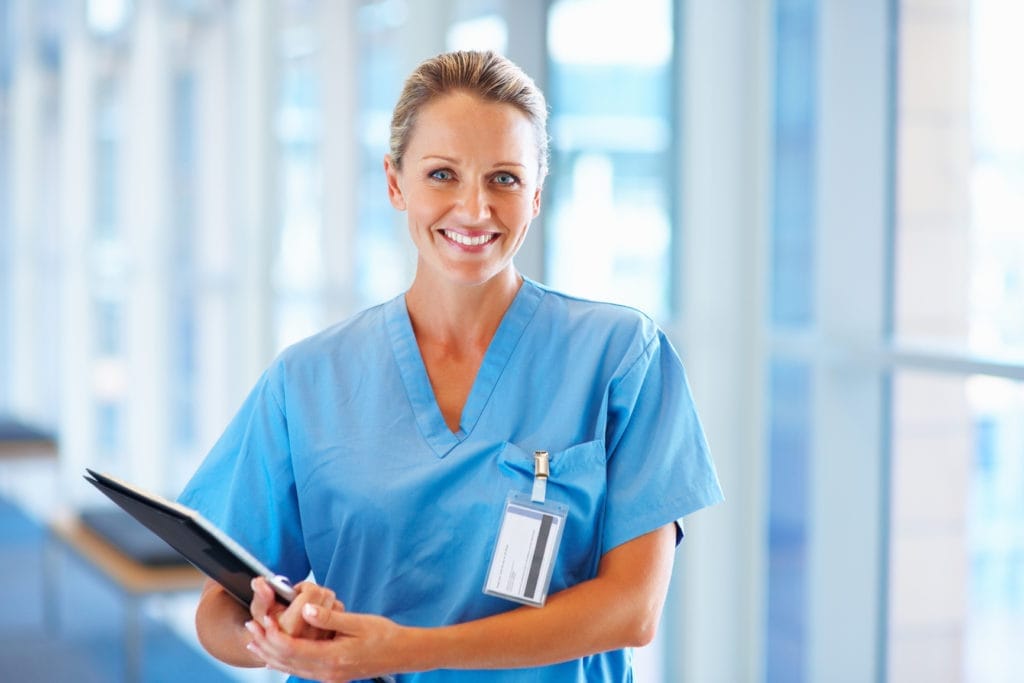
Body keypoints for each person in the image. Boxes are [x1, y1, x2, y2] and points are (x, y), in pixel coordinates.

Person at [179, 49, 723, 683]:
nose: (473, 209)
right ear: (393, 183)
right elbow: (219, 611)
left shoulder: (621, 358)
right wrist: (281, 638)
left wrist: (406, 650)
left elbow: (633, 609)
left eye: (504, 179)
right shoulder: (307, 382)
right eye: (442, 174)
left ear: (538, 195)